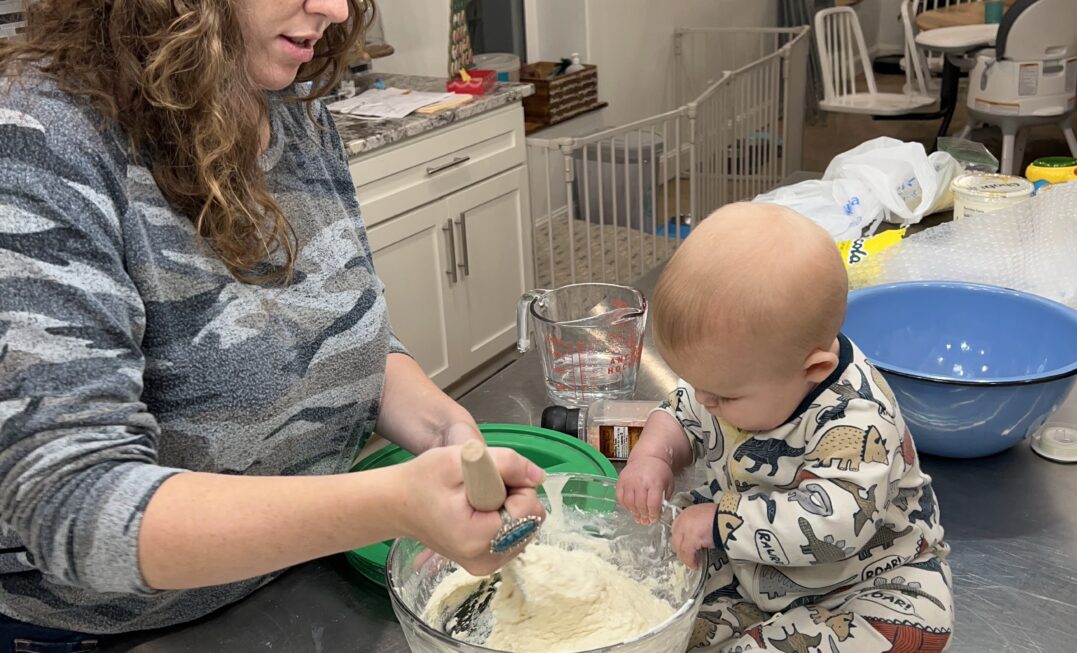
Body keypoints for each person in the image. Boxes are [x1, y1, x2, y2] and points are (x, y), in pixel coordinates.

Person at [0, 0, 545, 649]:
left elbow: (344, 330)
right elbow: (77, 505)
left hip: (296, 585)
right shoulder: (41, 142)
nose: (336, 8)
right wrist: (394, 502)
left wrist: (450, 436)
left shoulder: (292, 103)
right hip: (126, 634)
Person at [616, 203, 953, 652]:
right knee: (662, 619)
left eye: (724, 396)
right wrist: (653, 454)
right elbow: (681, 411)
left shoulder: (860, 419)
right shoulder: (743, 373)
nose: (704, 401)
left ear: (814, 369)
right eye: (698, 384)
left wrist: (721, 522)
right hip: (754, 563)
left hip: (866, 582)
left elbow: (834, 526)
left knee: (905, 631)